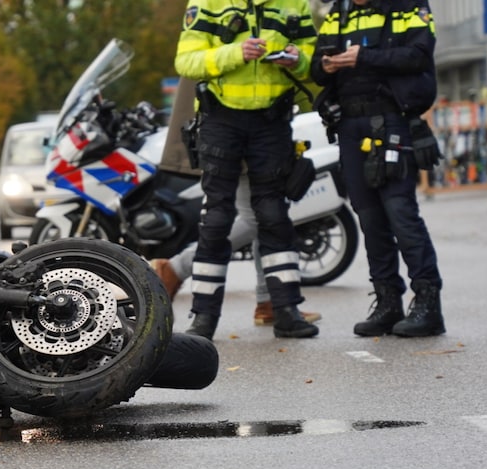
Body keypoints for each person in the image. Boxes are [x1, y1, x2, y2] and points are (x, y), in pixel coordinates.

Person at [175, 0, 320, 341]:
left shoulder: (293, 4)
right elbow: (187, 60)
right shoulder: (208, 3)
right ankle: (204, 318)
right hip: (220, 120)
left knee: (273, 215)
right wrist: (236, 53)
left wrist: (296, 59)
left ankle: (285, 311)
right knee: (216, 218)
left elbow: (313, 61)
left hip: (272, 121)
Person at [311, 0, 445, 337]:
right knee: (369, 216)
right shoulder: (338, 12)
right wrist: (325, 66)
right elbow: (314, 67)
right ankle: (388, 302)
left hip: (392, 120)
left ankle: (428, 304)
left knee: (400, 212)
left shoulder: (407, 5)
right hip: (349, 124)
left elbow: (418, 55)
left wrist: (363, 57)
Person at [151, 77, 321, 326]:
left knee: (262, 218)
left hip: (250, 127)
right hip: (232, 128)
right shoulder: (226, 40)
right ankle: (176, 269)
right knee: (256, 218)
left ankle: (269, 301)